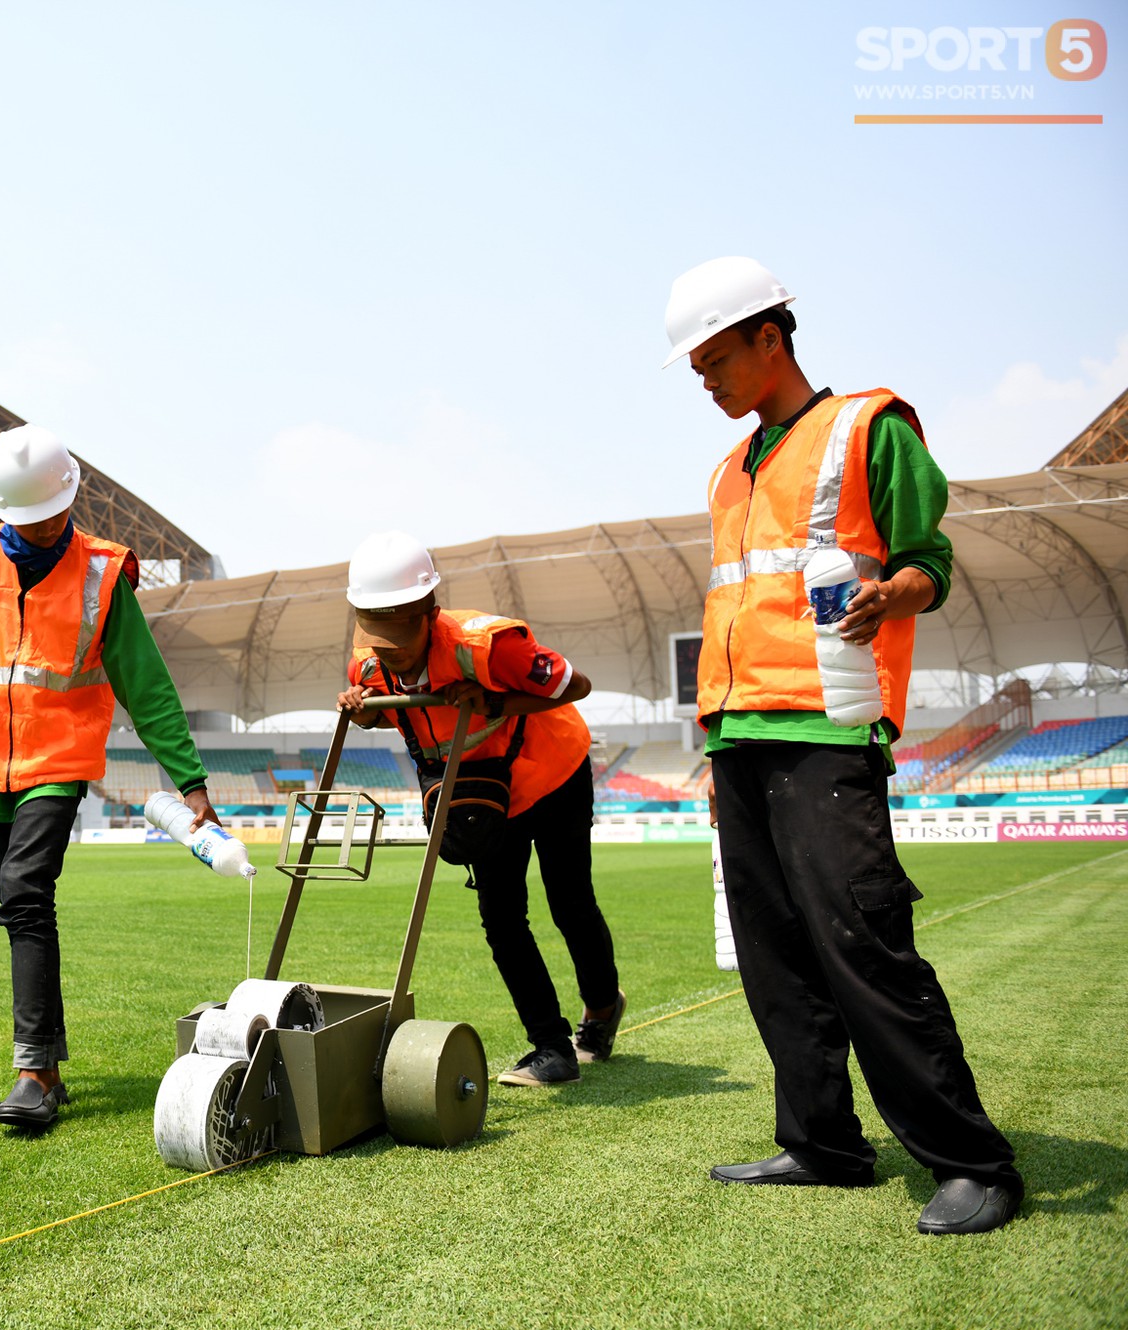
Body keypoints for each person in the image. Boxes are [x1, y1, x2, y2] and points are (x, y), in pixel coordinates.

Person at [665, 255, 1022, 1235]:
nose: (704, 378)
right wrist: (714, 742)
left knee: (863, 947)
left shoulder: (866, 428)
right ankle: (819, 1143)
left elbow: (926, 562)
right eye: (692, 366)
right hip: (737, 736)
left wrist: (886, 594)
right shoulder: (727, 472)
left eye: (713, 358)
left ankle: (970, 1161)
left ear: (768, 337)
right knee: (775, 959)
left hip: (826, 726)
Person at [0, 424, 217, 1130]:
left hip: (57, 763)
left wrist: (191, 779)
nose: (43, 528)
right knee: (18, 907)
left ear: (71, 497)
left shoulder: (101, 572)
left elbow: (144, 682)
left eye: (53, 513)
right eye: (25, 519)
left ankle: (31, 1070)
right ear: (1, 510)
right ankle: (49, 1066)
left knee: (26, 893)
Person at [334, 531, 623, 1087]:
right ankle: (551, 1048)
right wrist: (366, 713)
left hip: (553, 773)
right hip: (486, 796)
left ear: (429, 612)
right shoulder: (368, 667)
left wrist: (494, 699)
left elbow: (577, 685)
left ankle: (603, 1010)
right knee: (501, 918)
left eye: (398, 634)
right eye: (376, 634)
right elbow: (405, 718)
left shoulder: (488, 646)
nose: (387, 649)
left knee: (570, 904)